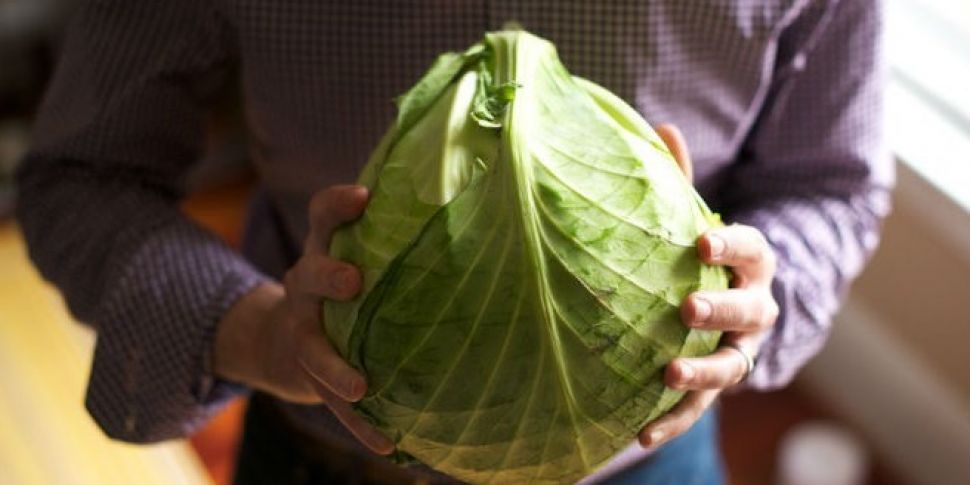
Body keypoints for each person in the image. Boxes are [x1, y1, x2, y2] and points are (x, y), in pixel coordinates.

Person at [15, 0, 892, 483]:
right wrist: (255, 330)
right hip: (330, 454)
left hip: (647, 452)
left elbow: (830, 184)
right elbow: (82, 174)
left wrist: (757, 301)